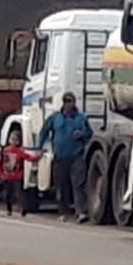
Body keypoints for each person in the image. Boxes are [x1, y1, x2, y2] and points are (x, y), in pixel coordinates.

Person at [37, 91, 93, 223]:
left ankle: (80, 212)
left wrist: (82, 134)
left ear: (74, 103)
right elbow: (44, 131)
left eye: (70, 101)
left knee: (78, 184)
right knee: (61, 186)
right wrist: (39, 147)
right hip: (60, 157)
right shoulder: (55, 118)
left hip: (76, 156)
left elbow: (89, 133)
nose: (68, 104)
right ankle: (63, 212)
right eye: (66, 101)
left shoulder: (81, 118)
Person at [0, 127, 41, 217]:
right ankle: (9, 209)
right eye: (12, 139)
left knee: (19, 194)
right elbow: (0, 163)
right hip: (7, 176)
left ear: (18, 141)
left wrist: (38, 157)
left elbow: (29, 157)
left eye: (15, 139)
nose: (13, 141)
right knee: (7, 194)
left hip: (17, 176)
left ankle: (23, 209)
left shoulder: (20, 151)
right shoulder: (5, 150)